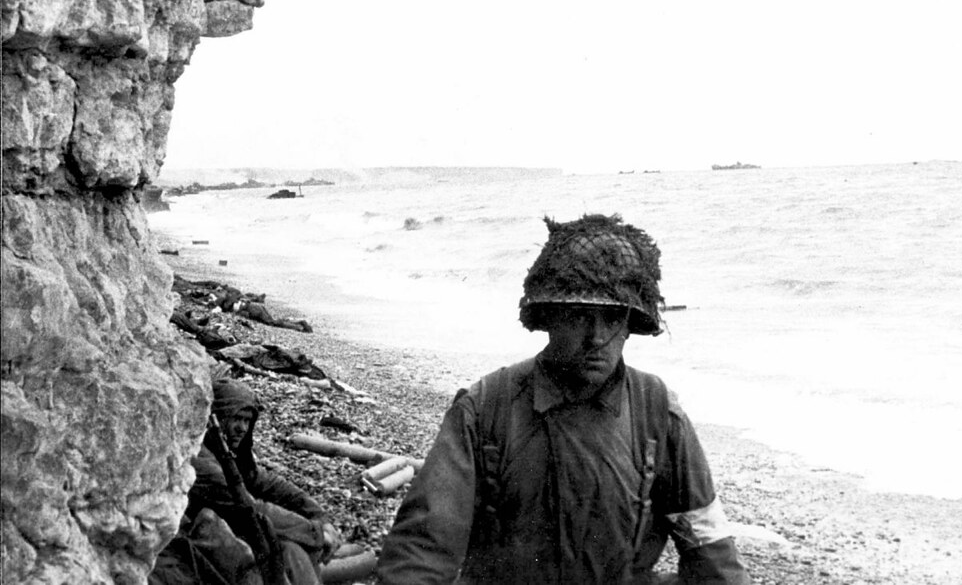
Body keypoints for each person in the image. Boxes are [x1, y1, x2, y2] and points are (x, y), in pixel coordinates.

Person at [377, 214, 751, 584]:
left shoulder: (657, 412)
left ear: (631, 325)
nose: (596, 337)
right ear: (549, 317)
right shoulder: (486, 408)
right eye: (578, 316)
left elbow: (709, 548)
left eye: (612, 319)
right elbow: (424, 545)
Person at [150, 377, 341, 584]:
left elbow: (265, 482)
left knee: (291, 548)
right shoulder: (200, 459)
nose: (242, 428)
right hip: (193, 539)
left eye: (247, 421)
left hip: (226, 528)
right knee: (288, 550)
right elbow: (249, 507)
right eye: (236, 419)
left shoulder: (226, 451)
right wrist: (315, 533)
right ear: (217, 418)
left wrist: (318, 515)